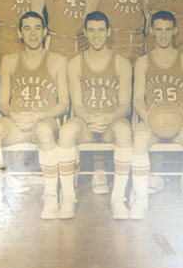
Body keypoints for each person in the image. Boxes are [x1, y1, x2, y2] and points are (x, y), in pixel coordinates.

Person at [0, 11, 69, 220]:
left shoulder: (57, 61)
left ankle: (50, 197)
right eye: (27, 28)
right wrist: (15, 115)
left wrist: (38, 115)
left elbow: (64, 104)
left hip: (45, 120)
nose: (33, 33)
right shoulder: (9, 61)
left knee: (45, 129)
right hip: (18, 123)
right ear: (20, 33)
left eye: (38, 28)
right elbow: (3, 103)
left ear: (45, 32)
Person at [56, 12, 133, 220]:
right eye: (91, 30)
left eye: (101, 30)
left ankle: (118, 199)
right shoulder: (75, 63)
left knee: (125, 130)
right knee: (66, 131)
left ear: (108, 32)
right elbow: (77, 104)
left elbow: (125, 105)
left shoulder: (122, 63)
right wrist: (90, 119)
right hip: (86, 123)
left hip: (111, 123)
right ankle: (68, 198)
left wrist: (107, 118)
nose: (96, 35)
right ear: (85, 33)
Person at [131, 11, 183, 219]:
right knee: (141, 137)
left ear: (175, 31)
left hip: (179, 120)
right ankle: (141, 199)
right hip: (153, 121)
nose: (163, 35)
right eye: (158, 30)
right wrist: (148, 119)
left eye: (168, 30)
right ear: (151, 31)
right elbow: (137, 99)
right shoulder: (143, 62)